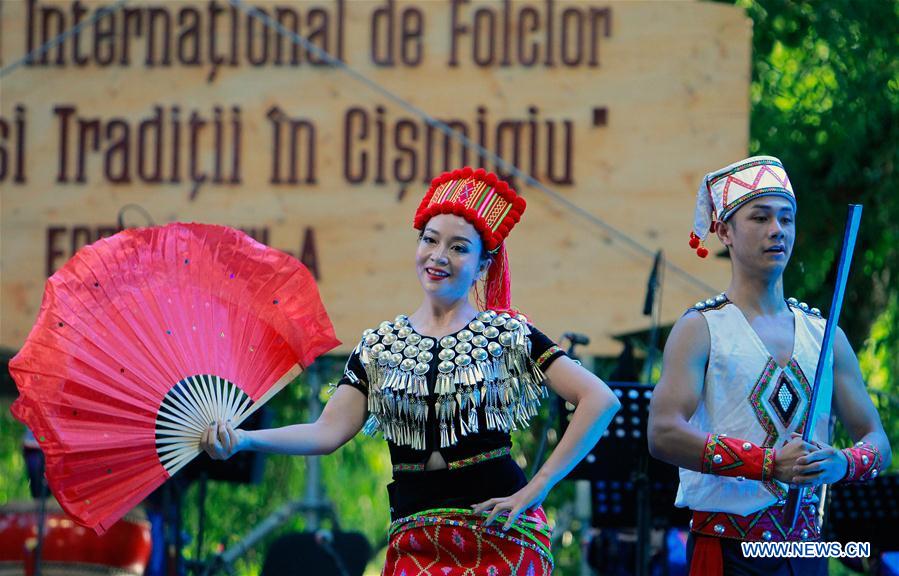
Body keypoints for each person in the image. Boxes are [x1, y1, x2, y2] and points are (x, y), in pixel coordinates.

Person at [201, 167, 621, 574]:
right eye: (430, 240)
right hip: (415, 543)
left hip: (500, 539)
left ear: (481, 266)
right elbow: (327, 431)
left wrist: (537, 487)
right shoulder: (379, 346)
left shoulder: (507, 333)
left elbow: (599, 399)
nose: (438, 256)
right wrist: (243, 440)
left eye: (458, 247)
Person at [647, 156, 892, 575]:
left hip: (807, 551)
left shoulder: (826, 335)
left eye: (786, 218)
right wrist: (766, 462)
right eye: (760, 217)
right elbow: (663, 432)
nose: (777, 229)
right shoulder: (701, 329)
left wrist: (842, 463)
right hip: (727, 550)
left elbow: (877, 441)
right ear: (724, 230)